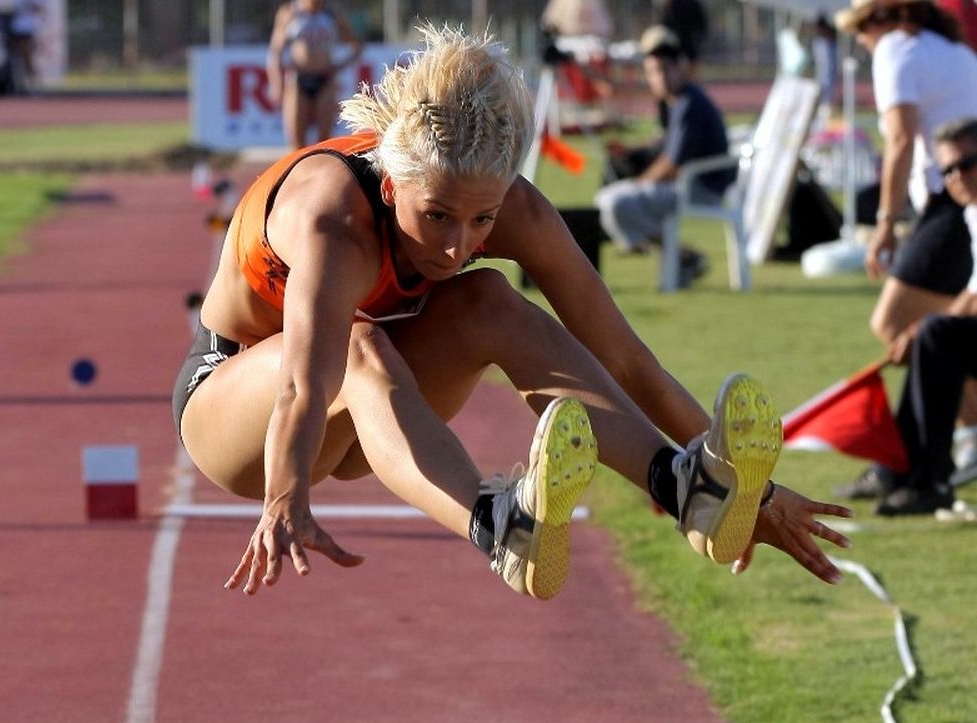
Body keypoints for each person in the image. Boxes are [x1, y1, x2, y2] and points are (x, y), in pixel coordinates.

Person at [173, 24, 851, 601]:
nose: (455, 245)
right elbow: (302, 384)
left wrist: (749, 495)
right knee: (353, 345)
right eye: (435, 216)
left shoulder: (514, 210)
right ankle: (500, 526)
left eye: (479, 221)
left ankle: (682, 487)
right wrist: (286, 495)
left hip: (375, 406)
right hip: (244, 417)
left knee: (492, 299)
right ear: (389, 182)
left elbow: (623, 356)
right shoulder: (332, 223)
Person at [838, 117, 977, 514]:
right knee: (933, 337)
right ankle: (903, 469)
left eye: (967, 164)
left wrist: (923, 331)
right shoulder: (971, 212)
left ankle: (929, 480)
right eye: (948, 170)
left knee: (935, 336)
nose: (957, 177)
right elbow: (972, 292)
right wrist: (920, 331)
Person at [594, 26, 733, 285]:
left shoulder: (689, 103)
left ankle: (679, 256)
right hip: (689, 184)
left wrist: (640, 183)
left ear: (680, 67)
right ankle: (681, 257)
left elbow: (673, 162)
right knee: (606, 199)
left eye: (664, 70)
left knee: (614, 203)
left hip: (699, 187)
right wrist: (631, 150)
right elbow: (666, 144)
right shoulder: (679, 101)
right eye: (653, 72)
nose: (660, 78)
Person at [266, 0, 363, 149]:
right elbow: (276, 50)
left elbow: (356, 46)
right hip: (298, 79)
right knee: (296, 143)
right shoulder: (290, 12)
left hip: (324, 80)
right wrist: (276, 82)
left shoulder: (331, 14)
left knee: (324, 141)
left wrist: (338, 67)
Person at [656, 0, 708, 71]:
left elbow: (701, 25)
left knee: (688, 68)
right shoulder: (671, 4)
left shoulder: (691, 4)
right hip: (676, 43)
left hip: (686, 43)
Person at [9, 0, 44, 93]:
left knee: (27, 57)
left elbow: (39, 8)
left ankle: (34, 84)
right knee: (16, 58)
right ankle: (19, 84)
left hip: (26, 28)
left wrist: (27, 7)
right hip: (13, 27)